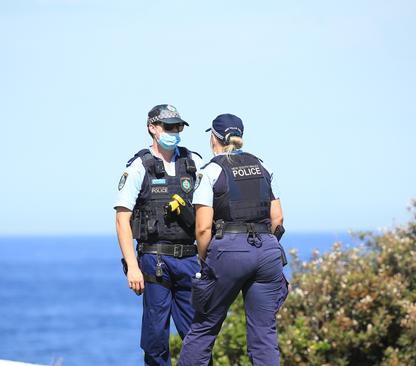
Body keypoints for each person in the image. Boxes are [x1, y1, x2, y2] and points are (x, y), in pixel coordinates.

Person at [177, 113, 289, 366]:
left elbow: (203, 228)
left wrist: (207, 259)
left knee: (204, 327)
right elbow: (278, 219)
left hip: (229, 250)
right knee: (264, 334)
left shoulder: (211, 171)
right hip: (268, 250)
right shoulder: (264, 166)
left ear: (214, 138)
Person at [114, 104, 203, 366]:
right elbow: (122, 219)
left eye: (178, 127)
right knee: (155, 339)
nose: (174, 131)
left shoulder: (194, 162)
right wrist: (132, 266)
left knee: (197, 337)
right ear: (152, 128)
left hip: (189, 259)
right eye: (168, 126)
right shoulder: (139, 167)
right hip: (155, 261)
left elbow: (209, 210)